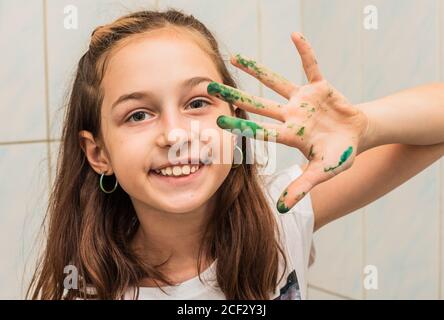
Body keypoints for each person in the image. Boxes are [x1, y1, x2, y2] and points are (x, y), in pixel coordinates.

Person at [27, 9, 444, 300]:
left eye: (197, 104)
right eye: (138, 114)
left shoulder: (282, 214)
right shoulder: (85, 290)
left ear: (237, 119)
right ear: (98, 153)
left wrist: (363, 125)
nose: (175, 134)